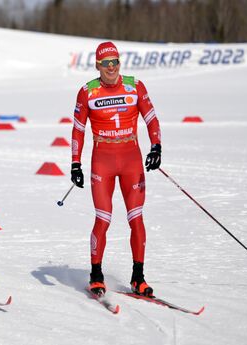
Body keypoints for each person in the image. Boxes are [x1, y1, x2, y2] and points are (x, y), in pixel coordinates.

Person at [71, 42, 162, 297]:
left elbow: (151, 118)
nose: (111, 68)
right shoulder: (87, 92)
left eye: (115, 62)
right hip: (103, 160)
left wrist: (156, 147)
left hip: (131, 158)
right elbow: (78, 129)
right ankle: (96, 274)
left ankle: (138, 276)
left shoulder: (135, 86)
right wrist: (75, 163)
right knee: (104, 218)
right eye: (105, 63)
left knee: (136, 218)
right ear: (98, 65)